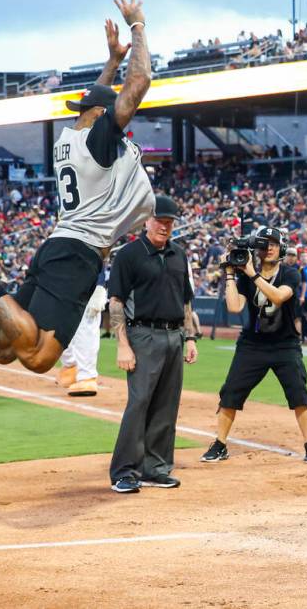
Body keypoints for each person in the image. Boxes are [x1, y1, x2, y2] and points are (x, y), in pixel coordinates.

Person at [0, 0, 154, 374]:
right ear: (104, 115)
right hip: (78, 253)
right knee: (37, 359)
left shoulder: (70, 138)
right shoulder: (100, 140)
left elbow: (97, 101)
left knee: (1, 350)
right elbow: (140, 82)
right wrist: (137, 25)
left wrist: (111, 63)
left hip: (57, 245)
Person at [202, 227, 307, 464]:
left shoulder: (290, 274)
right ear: (256, 250)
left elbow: (278, 296)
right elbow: (234, 307)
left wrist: (250, 273)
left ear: (282, 248)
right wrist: (229, 275)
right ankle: (220, 443)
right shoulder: (246, 276)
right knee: (230, 392)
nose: (269, 248)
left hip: (285, 344)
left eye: (274, 244)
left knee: (299, 393)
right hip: (252, 345)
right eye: (264, 244)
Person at [107, 196, 199, 493]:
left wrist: (190, 338)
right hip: (143, 336)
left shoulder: (179, 255)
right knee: (139, 403)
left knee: (166, 405)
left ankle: (156, 468)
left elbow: (185, 300)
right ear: (146, 220)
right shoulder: (129, 255)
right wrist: (122, 345)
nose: (165, 226)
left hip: (174, 336)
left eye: (170, 222)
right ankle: (125, 471)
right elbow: (116, 301)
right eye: (160, 220)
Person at [56, 275, 107, 397]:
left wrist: (99, 286)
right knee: (63, 323)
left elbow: (99, 258)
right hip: (66, 284)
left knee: (86, 326)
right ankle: (71, 368)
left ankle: (87, 377)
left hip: (88, 283)